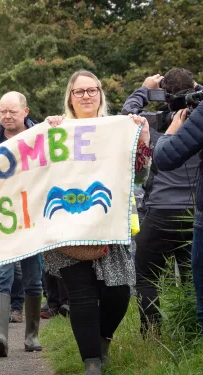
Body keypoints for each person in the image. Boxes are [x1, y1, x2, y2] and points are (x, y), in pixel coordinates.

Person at [44, 70, 150, 375]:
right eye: (80, 92)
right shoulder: (56, 130)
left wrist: (141, 139)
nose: (87, 96)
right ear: (70, 98)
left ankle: (102, 340)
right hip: (68, 225)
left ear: (101, 94)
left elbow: (140, 175)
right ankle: (91, 362)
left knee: (119, 292)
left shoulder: (119, 128)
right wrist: (49, 130)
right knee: (82, 296)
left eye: (93, 90)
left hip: (111, 227)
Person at [122, 69, 200, 336]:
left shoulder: (154, 122)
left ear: (164, 98)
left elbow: (126, 116)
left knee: (145, 276)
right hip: (193, 215)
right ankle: (192, 331)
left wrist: (144, 89)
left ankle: (152, 333)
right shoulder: (199, 121)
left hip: (160, 213)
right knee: (192, 278)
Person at [0, 91, 44, 357]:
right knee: (2, 273)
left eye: (12, 112)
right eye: (2, 111)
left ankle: (31, 336)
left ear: (25, 112)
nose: (6, 116)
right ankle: (0, 335)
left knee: (33, 277)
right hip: (1, 218)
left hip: (33, 218)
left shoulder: (42, 137)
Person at [153, 99, 203, 334]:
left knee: (145, 273)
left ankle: (152, 333)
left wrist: (172, 129)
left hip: (168, 211)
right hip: (187, 209)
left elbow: (165, 157)